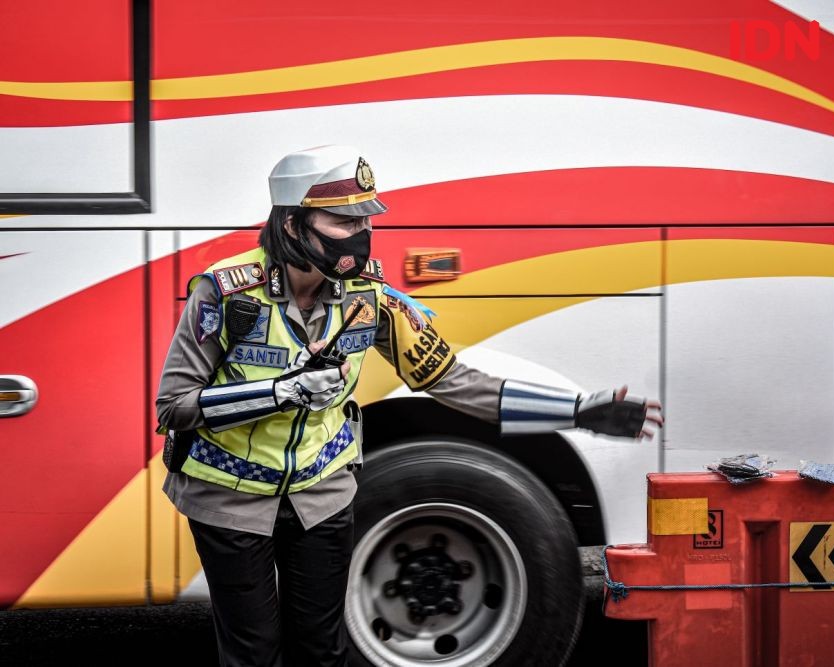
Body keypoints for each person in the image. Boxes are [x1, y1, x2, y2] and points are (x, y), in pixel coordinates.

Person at [155, 144, 663, 667]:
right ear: (290, 224)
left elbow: (453, 381)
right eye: (340, 219)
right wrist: (281, 392)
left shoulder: (367, 298)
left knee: (324, 652)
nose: (359, 232)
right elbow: (173, 406)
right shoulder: (226, 294)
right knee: (253, 653)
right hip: (230, 498)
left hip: (322, 495)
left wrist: (577, 410)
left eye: (364, 217)